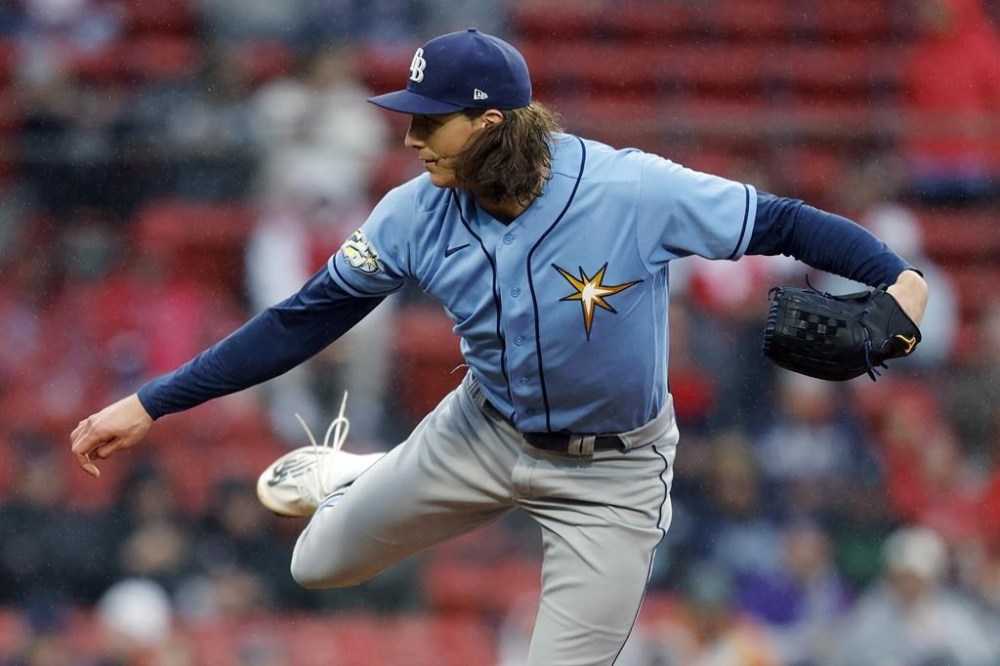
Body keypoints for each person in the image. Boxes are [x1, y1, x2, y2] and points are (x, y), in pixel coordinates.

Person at [70, 29, 929, 665]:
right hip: (479, 432)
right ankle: (369, 472)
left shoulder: (630, 188)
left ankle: (376, 473)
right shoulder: (411, 211)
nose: (408, 139)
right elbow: (304, 315)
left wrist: (898, 277)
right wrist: (150, 401)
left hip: (612, 473)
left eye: (428, 122)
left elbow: (776, 219)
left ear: (488, 122)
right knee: (316, 564)